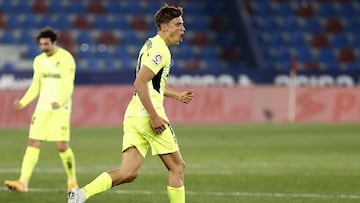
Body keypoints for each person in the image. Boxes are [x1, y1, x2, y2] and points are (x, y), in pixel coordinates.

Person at [68, 3, 194, 203]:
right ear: (164, 27)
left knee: (128, 172)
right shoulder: (161, 52)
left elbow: (152, 85)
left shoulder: (150, 44)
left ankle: (80, 194)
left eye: (182, 24)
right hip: (148, 116)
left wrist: (176, 95)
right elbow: (140, 82)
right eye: (178, 24)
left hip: (134, 114)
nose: (183, 28)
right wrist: (154, 116)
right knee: (177, 167)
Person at [4, 28, 78, 193]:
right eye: (41, 44)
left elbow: (68, 83)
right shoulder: (39, 60)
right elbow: (36, 84)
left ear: (54, 43)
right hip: (42, 108)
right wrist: (23, 102)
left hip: (61, 108)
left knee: (62, 146)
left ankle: (72, 182)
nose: (43, 47)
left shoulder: (66, 59)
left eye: (46, 44)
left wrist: (59, 100)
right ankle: (23, 182)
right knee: (33, 143)